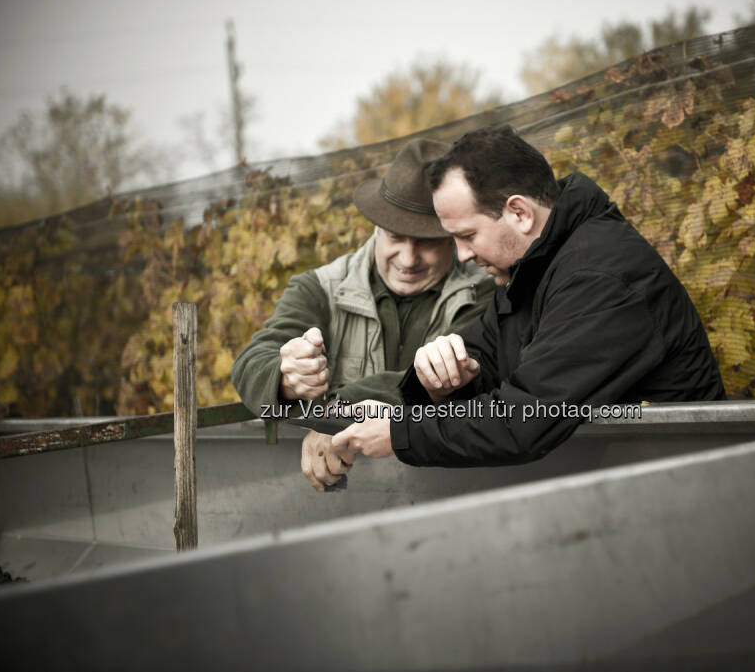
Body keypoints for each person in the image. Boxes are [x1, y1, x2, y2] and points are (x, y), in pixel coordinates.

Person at [330, 124, 725, 467]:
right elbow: (484, 353)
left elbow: (525, 418)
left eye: (467, 235)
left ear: (519, 213)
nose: (463, 255)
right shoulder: (532, 270)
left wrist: (402, 432)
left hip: (680, 487)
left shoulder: (601, 279)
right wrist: (442, 376)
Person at [231, 138, 494, 488]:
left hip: (449, 493)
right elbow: (250, 362)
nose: (408, 258)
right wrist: (285, 378)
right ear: (376, 227)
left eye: (427, 241)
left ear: (454, 236)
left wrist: (337, 414)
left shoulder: (484, 291)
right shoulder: (319, 287)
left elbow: (458, 372)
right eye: (396, 237)